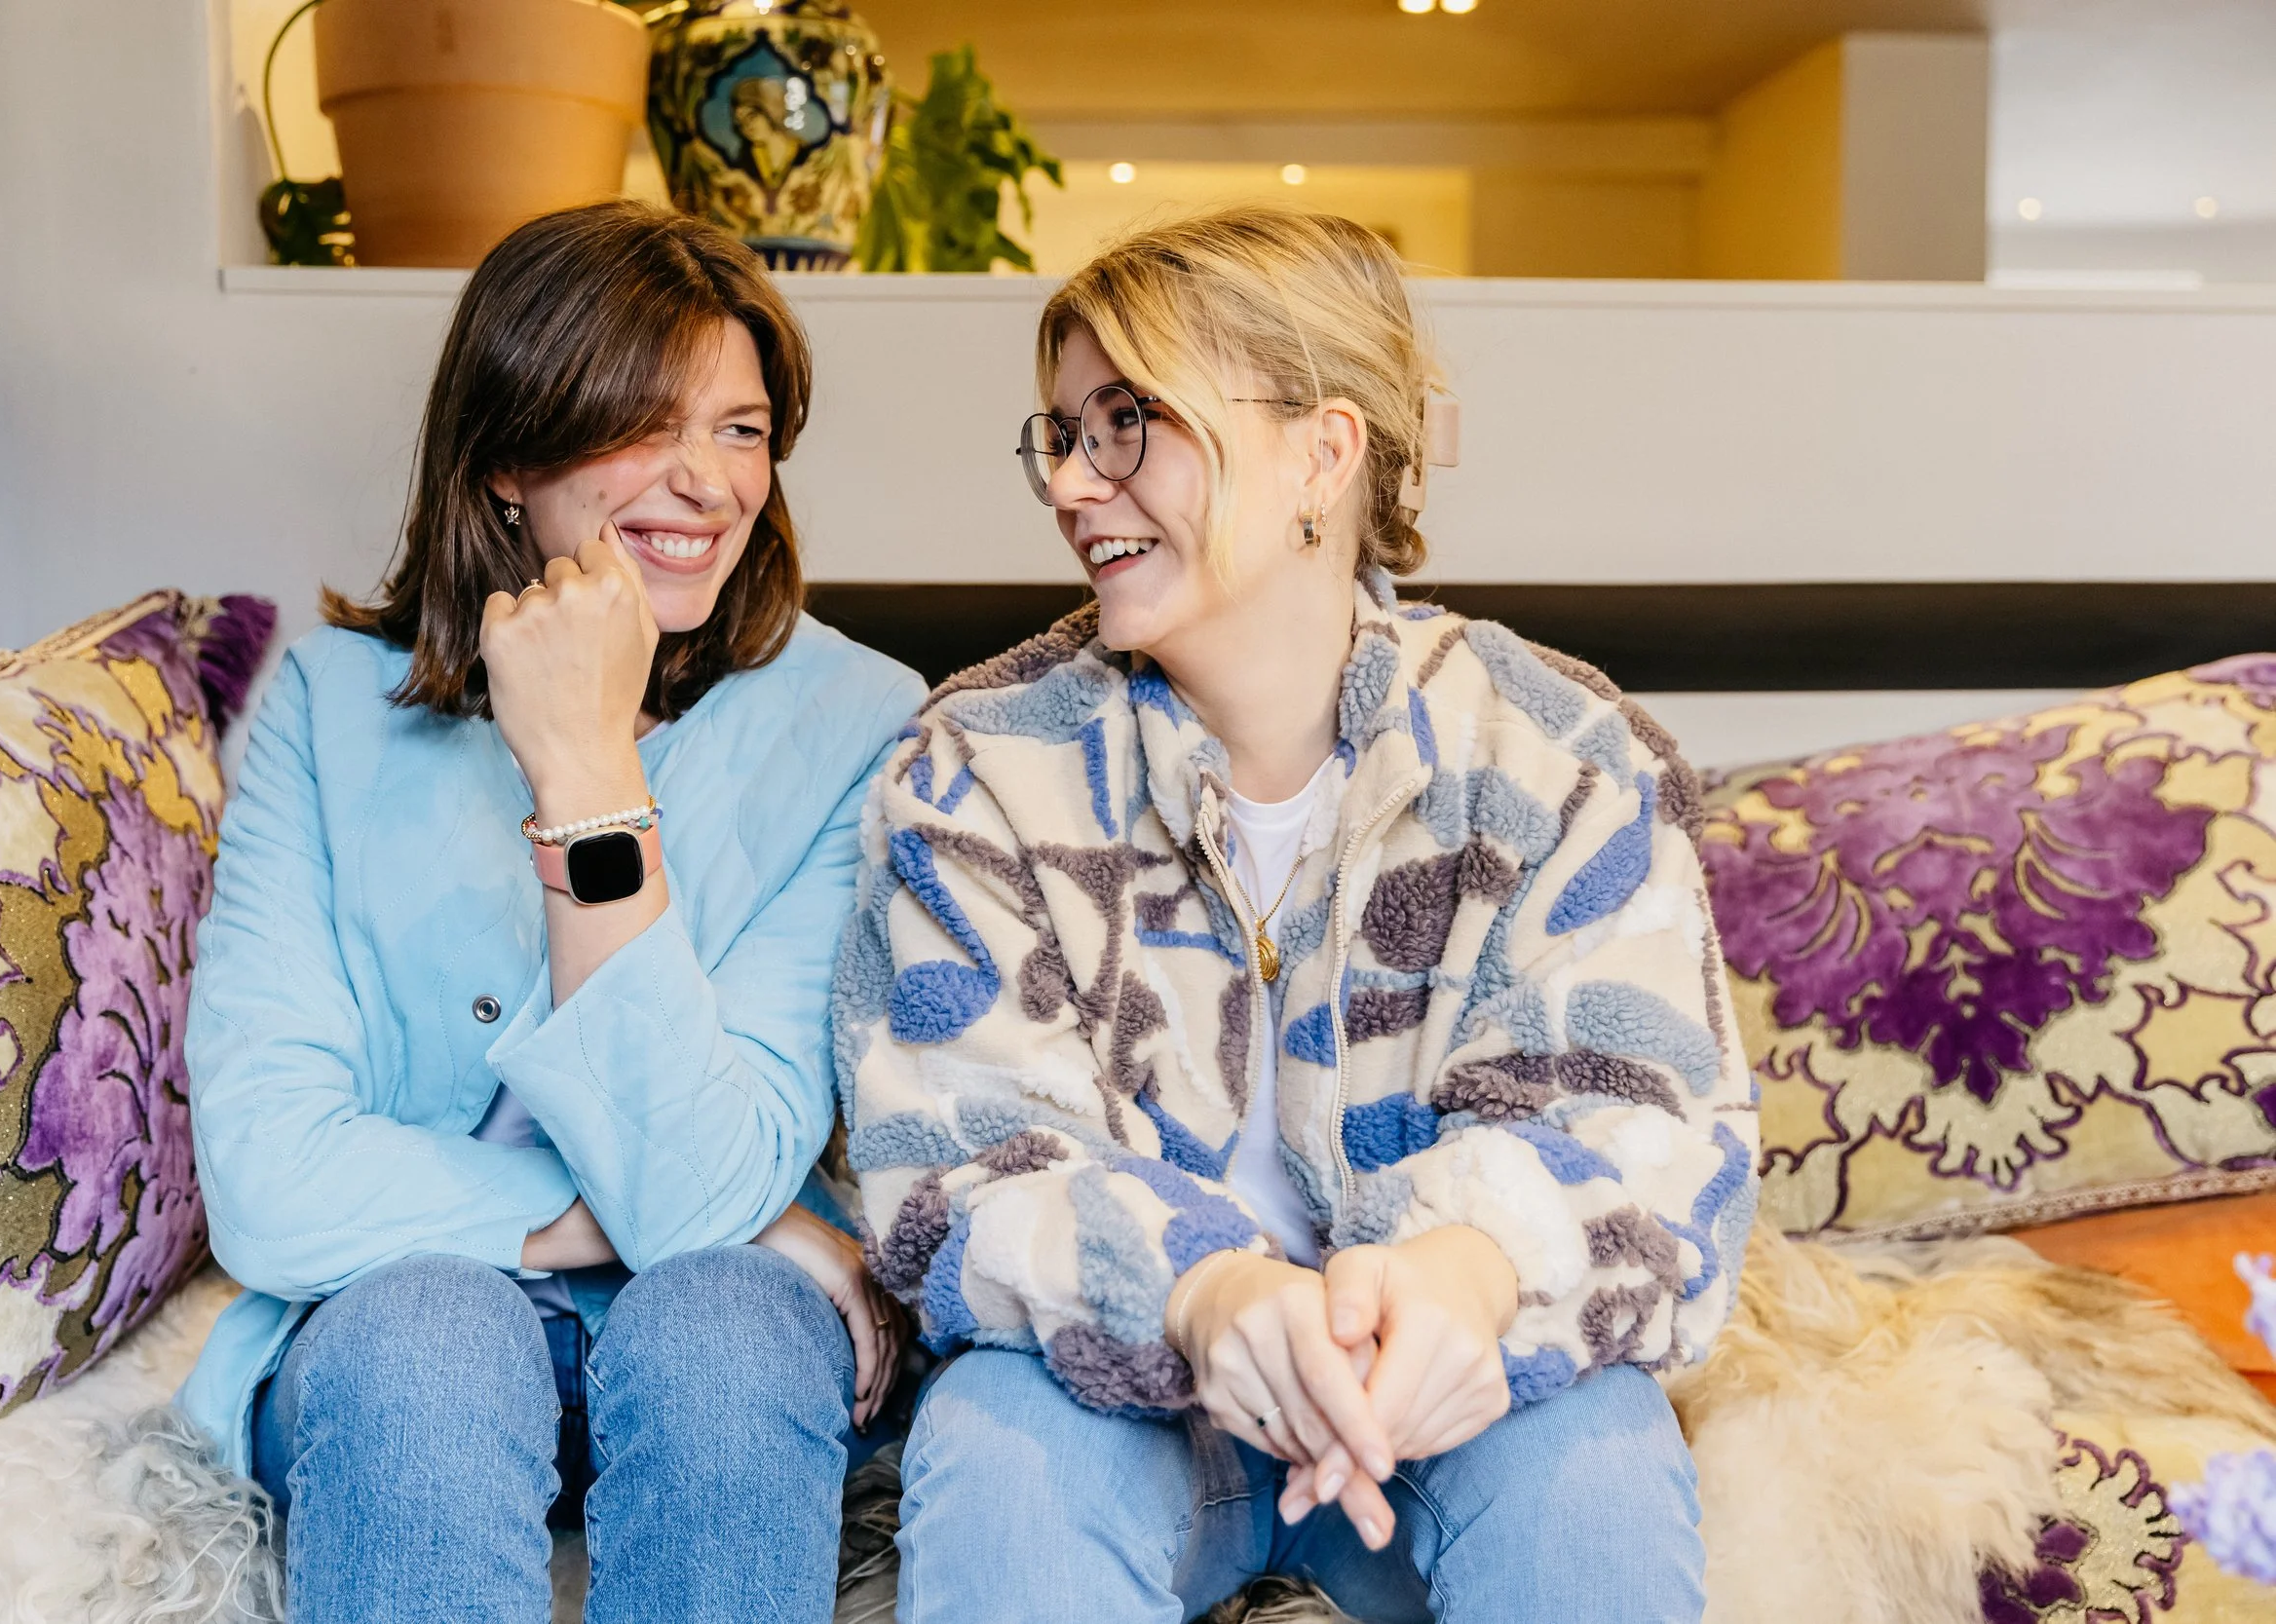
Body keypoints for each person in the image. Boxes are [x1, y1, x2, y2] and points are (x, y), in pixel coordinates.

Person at [836, 205, 1758, 1622]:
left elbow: (1653, 1122)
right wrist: (1205, 1297)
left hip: (1448, 1403)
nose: (1077, 485)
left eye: (1129, 424)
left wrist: (1467, 1271)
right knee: (999, 1445)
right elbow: (953, 1162)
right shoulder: (979, 774)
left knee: (1598, 1455)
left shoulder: (1552, 755)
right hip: (1127, 1408)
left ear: (1323, 453)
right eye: (1063, 434)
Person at [176, 201, 925, 1624]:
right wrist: (612, 1213)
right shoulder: (330, 711)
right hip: (396, 1336)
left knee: (722, 1323)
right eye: (648, 423)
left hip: (724, 1338)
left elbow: (701, 1203)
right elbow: (269, 1181)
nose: (706, 481)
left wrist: (587, 768)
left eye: (744, 428)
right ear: (512, 452)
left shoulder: (860, 723)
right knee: (426, 1333)